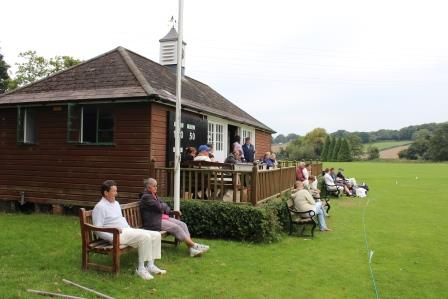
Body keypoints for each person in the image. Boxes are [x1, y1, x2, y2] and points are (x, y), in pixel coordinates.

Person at [92, 180, 165, 280]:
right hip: (117, 235)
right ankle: (141, 269)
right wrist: (112, 238)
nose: (116, 193)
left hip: (127, 230)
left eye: (116, 191)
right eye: (114, 191)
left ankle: (150, 265)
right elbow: (97, 229)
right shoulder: (100, 207)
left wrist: (129, 229)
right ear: (106, 192)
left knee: (156, 235)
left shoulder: (116, 203)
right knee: (145, 237)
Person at [140, 178, 209, 257]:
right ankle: (193, 245)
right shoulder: (146, 197)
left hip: (160, 218)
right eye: (154, 186)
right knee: (176, 227)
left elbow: (164, 206)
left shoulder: (154, 195)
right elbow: (160, 207)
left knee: (183, 224)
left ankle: (191, 249)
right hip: (153, 222)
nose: (156, 188)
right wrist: (162, 206)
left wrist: (163, 206)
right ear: (149, 187)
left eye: (156, 186)